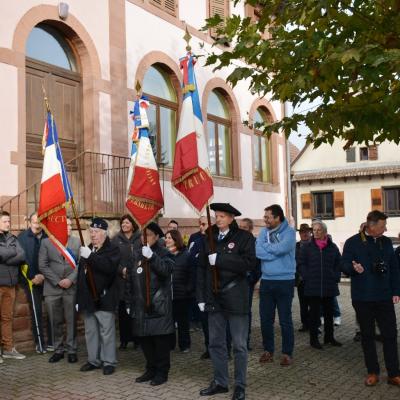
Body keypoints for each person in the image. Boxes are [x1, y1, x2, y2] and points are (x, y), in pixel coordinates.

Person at [197, 203, 256, 400]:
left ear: (232, 218)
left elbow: (249, 264)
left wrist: (221, 260)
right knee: (215, 343)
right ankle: (221, 382)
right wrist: (201, 297)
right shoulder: (209, 237)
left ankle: (240, 385)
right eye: (216, 215)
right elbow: (201, 269)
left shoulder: (244, 238)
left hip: (236, 296)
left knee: (239, 344)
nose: (218, 219)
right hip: (214, 297)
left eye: (222, 216)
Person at [342, 210, 400, 387]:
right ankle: (373, 372)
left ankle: (394, 373)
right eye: (382, 226)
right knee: (367, 336)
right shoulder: (353, 242)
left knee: (390, 334)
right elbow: (343, 265)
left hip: (384, 296)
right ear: (371, 226)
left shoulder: (386, 242)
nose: (385, 229)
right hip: (363, 297)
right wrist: (353, 269)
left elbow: (394, 268)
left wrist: (396, 291)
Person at [125, 222, 175, 386]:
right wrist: (128, 301)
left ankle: (162, 372)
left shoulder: (165, 253)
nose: (143, 238)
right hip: (140, 305)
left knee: (160, 342)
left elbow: (166, 271)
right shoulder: (137, 254)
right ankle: (151, 368)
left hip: (158, 305)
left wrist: (152, 257)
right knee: (145, 340)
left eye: (148, 235)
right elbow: (130, 280)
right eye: (141, 235)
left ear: (156, 237)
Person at [77, 218, 120, 376]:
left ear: (104, 233)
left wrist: (91, 257)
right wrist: (79, 299)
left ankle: (108, 362)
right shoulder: (87, 249)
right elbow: (81, 276)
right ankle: (93, 360)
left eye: (96, 232)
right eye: (91, 232)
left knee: (106, 332)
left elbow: (108, 268)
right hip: (89, 299)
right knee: (91, 332)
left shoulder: (112, 249)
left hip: (105, 297)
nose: (93, 235)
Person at [256, 204, 296, 366]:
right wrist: (273, 251)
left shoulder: (290, 233)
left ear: (277, 218)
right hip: (266, 281)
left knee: (285, 319)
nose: (264, 219)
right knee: (265, 319)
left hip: (285, 281)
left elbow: (283, 248)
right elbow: (259, 253)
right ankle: (268, 350)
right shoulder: (262, 232)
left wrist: (268, 250)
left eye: (267, 217)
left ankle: (287, 353)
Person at [38, 218, 80, 363]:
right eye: (66, 225)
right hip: (52, 288)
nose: (69, 227)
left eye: (70, 225)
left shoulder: (76, 242)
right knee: (55, 322)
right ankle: (58, 350)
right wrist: (57, 281)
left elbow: (81, 264)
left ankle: (72, 350)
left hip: (71, 288)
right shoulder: (47, 242)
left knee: (71, 320)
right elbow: (42, 265)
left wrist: (70, 279)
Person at [298, 220, 342, 349]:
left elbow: (338, 263)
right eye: (314, 230)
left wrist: (335, 276)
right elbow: (300, 264)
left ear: (325, 232)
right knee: (314, 314)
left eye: (319, 230)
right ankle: (314, 340)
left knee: (329, 314)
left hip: (329, 285)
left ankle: (329, 338)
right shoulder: (307, 247)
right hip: (313, 285)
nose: (315, 232)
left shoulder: (332, 247)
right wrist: (307, 277)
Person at [18, 212, 52, 353]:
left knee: (51, 311)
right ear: (30, 222)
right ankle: (40, 344)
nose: (37, 224)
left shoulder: (48, 236)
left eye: (39, 222)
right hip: (30, 280)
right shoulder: (22, 238)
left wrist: (44, 275)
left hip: (47, 279)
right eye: (34, 221)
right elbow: (22, 259)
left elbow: (51, 258)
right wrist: (33, 276)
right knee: (36, 311)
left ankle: (52, 342)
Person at [111, 214, 141, 350]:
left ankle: (137, 339)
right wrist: (120, 270)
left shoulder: (140, 238)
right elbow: (112, 259)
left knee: (136, 309)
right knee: (123, 312)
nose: (124, 225)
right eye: (122, 223)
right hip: (121, 281)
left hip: (136, 280)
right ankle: (124, 340)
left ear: (133, 225)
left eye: (127, 223)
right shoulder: (116, 240)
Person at [0, 211, 26, 361]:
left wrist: (5, 258)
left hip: (11, 285)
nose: (8, 224)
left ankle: (8, 348)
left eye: (9, 221)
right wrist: (12, 254)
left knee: (7, 317)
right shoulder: (12, 242)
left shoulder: (12, 238)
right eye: (5, 221)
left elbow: (22, 255)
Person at [165, 229, 193, 352]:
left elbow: (192, 274)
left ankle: (184, 344)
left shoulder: (186, 254)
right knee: (169, 321)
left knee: (182, 321)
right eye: (166, 237)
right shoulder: (163, 254)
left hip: (181, 294)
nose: (167, 240)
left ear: (176, 240)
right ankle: (170, 344)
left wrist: (187, 289)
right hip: (167, 294)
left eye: (169, 238)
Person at [238, 218, 261, 350]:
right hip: (233, 283)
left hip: (247, 283)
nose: (241, 230)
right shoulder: (234, 241)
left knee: (246, 312)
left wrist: (251, 279)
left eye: (244, 227)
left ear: (250, 229)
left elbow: (258, 266)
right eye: (240, 227)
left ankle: (245, 341)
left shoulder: (255, 243)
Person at [188, 216, 209, 358]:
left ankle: (225, 348)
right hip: (199, 282)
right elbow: (190, 257)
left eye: (204, 224)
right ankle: (209, 348)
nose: (201, 227)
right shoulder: (195, 238)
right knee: (205, 321)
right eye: (200, 224)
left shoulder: (215, 237)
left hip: (213, 285)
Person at [295, 223, 312, 332]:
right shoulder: (295, 246)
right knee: (303, 304)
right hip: (301, 279)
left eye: (306, 231)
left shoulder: (315, 245)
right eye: (302, 232)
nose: (304, 233)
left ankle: (314, 323)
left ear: (310, 232)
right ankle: (305, 324)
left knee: (314, 303)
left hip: (312, 279)